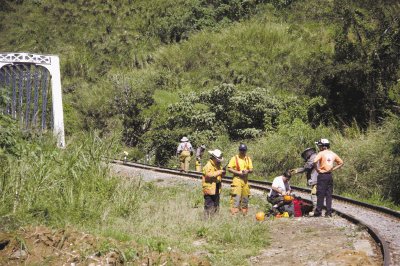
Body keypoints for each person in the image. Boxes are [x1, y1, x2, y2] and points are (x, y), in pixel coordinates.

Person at [313, 138, 344, 217]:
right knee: (329, 195)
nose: (319, 147)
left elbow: (314, 161)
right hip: (329, 175)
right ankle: (328, 213)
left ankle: (318, 212)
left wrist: (317, 170)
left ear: (323, 146)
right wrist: (333, 169)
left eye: (320, 146)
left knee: (320, 194)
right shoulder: (333, 153)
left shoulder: (321, 153)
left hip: (322, 175)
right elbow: (341, 162)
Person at [227, 143, 253, 215]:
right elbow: (229, 168)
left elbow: (251, 169)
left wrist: (247, 171)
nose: (242, 151)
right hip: (237, 179)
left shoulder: (248, 159)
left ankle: (244, 213)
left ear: (246, 151)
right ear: (239, 150)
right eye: (241, 150)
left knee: (245, 196)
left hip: (245, 180)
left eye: (244, 150)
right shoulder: (234, 158)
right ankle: (234, 213)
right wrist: (238, 172)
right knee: (236, 196)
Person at [202, 149, 225, 218]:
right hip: (209, 188)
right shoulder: (208, 165)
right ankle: (206, 218)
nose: (219, 161)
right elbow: (208, 175)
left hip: (217, 187)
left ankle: (214, 218)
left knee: (216, 204)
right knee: (209, 204)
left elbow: (220, 174)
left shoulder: (218, 165)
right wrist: (219, 172)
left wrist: (223, 172)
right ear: (214, 158)